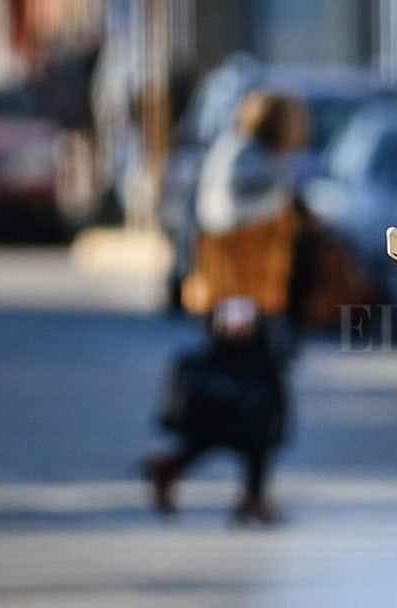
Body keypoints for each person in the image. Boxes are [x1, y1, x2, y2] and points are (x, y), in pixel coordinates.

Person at [144, 90, 307, 526]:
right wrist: (236, 305)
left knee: (245, 404)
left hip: (247, 301)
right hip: (240, 305)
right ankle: (242, 493)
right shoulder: (247, 167)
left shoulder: (244, 159)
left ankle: (189, 473)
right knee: (254, 402)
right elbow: (227, 238)